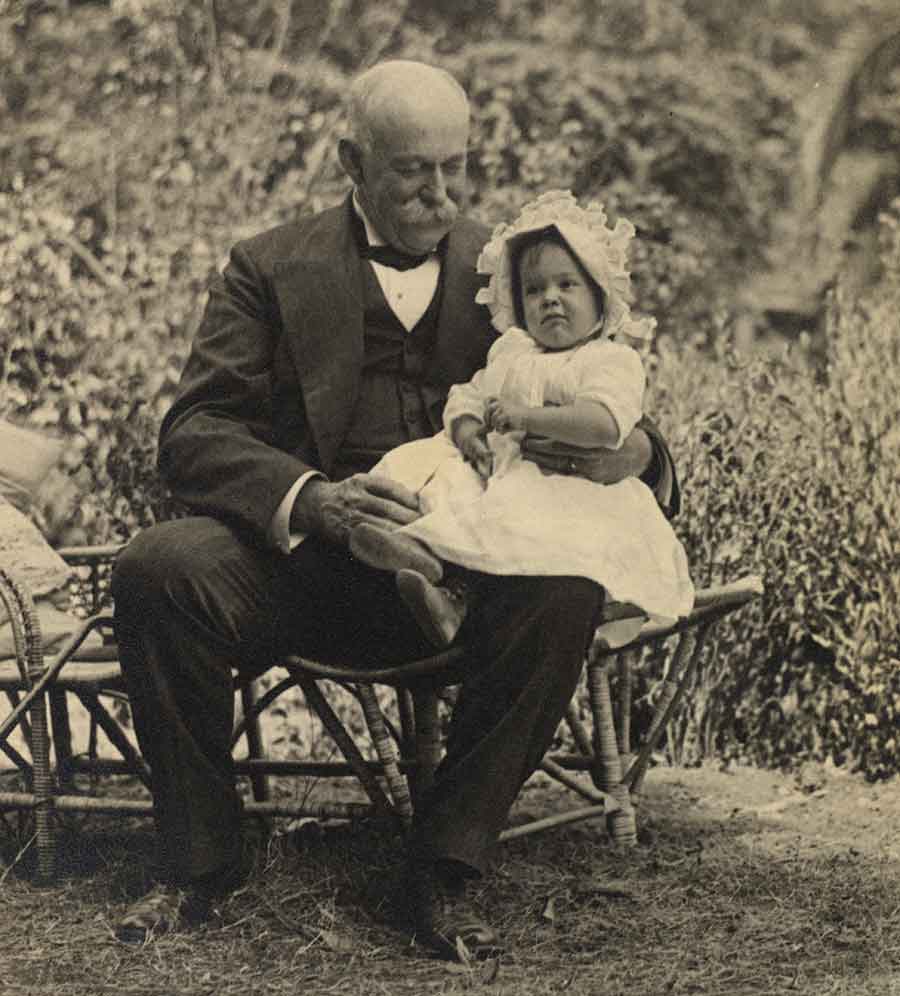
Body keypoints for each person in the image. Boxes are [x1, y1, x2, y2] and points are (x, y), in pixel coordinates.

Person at [110, 60, 681, 959]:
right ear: (352, 159)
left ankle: (442, 870)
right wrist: (315, 501)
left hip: (472, 565)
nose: (441, 191)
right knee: (158, 568)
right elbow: (194, 430)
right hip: (312, 567)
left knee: (564, 590)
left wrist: (641, 455)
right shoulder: (270, 266)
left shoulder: (516, 270)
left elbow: (608, 392)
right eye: (414, 170)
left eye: (456, 165)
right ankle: (199, 866)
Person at [349, 191, 694, 648]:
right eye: (534, 290)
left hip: (563, 493)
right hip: (499, 474)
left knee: (524, 544)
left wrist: (527, 417)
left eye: (567, 286)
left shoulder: (607, 360)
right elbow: (466, 395)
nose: (549, 299)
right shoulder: (511, 352)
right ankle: (437, 581)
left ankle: (452, 588)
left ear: (599, 298)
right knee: (438, 490)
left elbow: (605, 423)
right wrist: (469, 430)